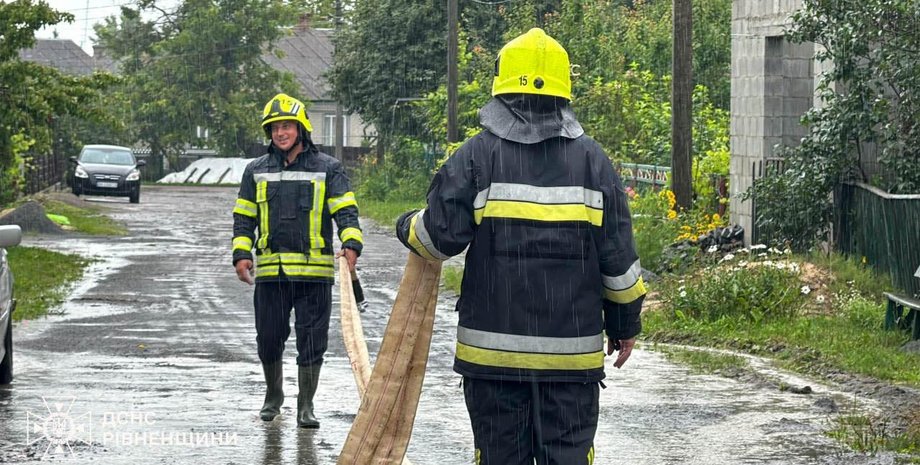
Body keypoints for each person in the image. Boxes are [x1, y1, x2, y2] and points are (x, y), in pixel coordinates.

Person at [395, 28, 646, 464]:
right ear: (564, 93)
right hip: (569, 368)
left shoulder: (478, 156)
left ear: (502, 90)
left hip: (492, 364)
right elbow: (618, 260)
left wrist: (404, 226)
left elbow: (437, 240)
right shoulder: (593, 162)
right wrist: (625, 324)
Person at [232, 93, 363, 428]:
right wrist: (241, 254)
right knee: (268, 338)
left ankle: (306, 406)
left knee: (312, 341)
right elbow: (244, 218)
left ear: (302, 129)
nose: (280, 132)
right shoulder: (255, 171)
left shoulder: (329, 169)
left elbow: (346, 212)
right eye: (275, 127)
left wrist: (351, 244)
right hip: (271, 274)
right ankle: (273, 397)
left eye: (287, 125)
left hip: (314, 275)